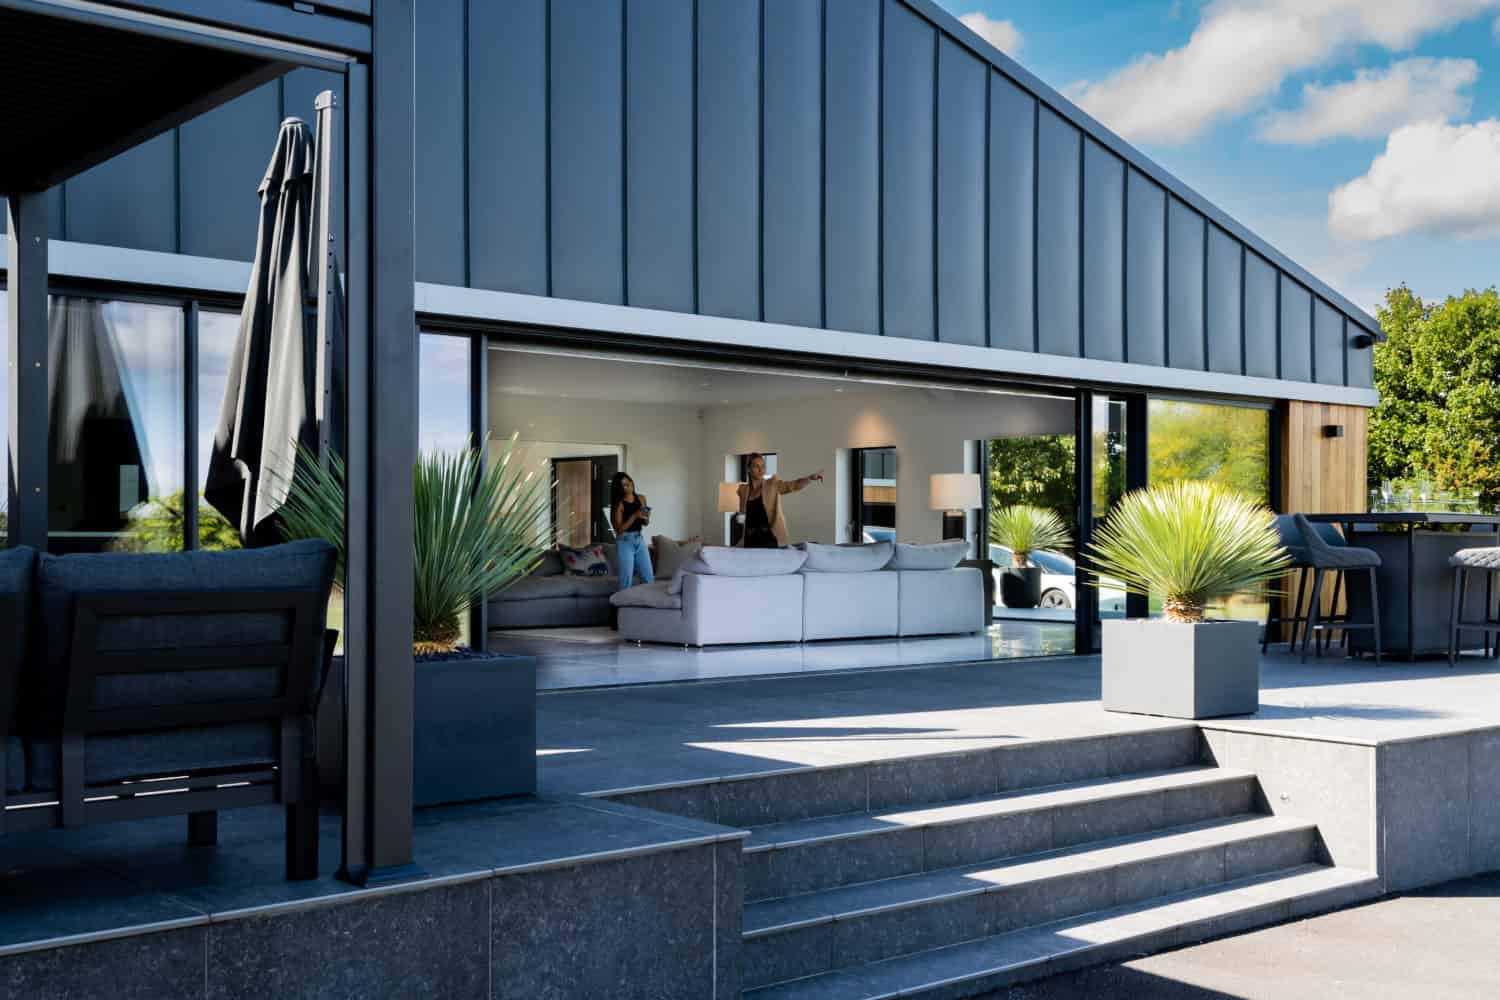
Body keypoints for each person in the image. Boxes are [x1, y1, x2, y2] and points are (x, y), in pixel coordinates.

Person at [737, 454, 823, 548]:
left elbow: (793, 485)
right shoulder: (743, 490)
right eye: (756, 466)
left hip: (768, 539)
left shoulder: (772, 484)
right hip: (750, 541)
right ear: (749, 469)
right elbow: (743, 516)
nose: (761, 470)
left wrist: (810, 478)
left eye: (763, 466)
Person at [609, 472, 655, 589]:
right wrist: (635, 515)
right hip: (624, 541)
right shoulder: (619, 504)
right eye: (624, 485)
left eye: (629, 481)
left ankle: (645, 606)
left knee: (649, 579)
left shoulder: (641, 498)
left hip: (639, 539)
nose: (629, 485)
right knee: (626, 582)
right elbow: (619, 530)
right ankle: (622, 607)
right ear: (620, 489)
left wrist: (646, 516)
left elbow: (645, 523)